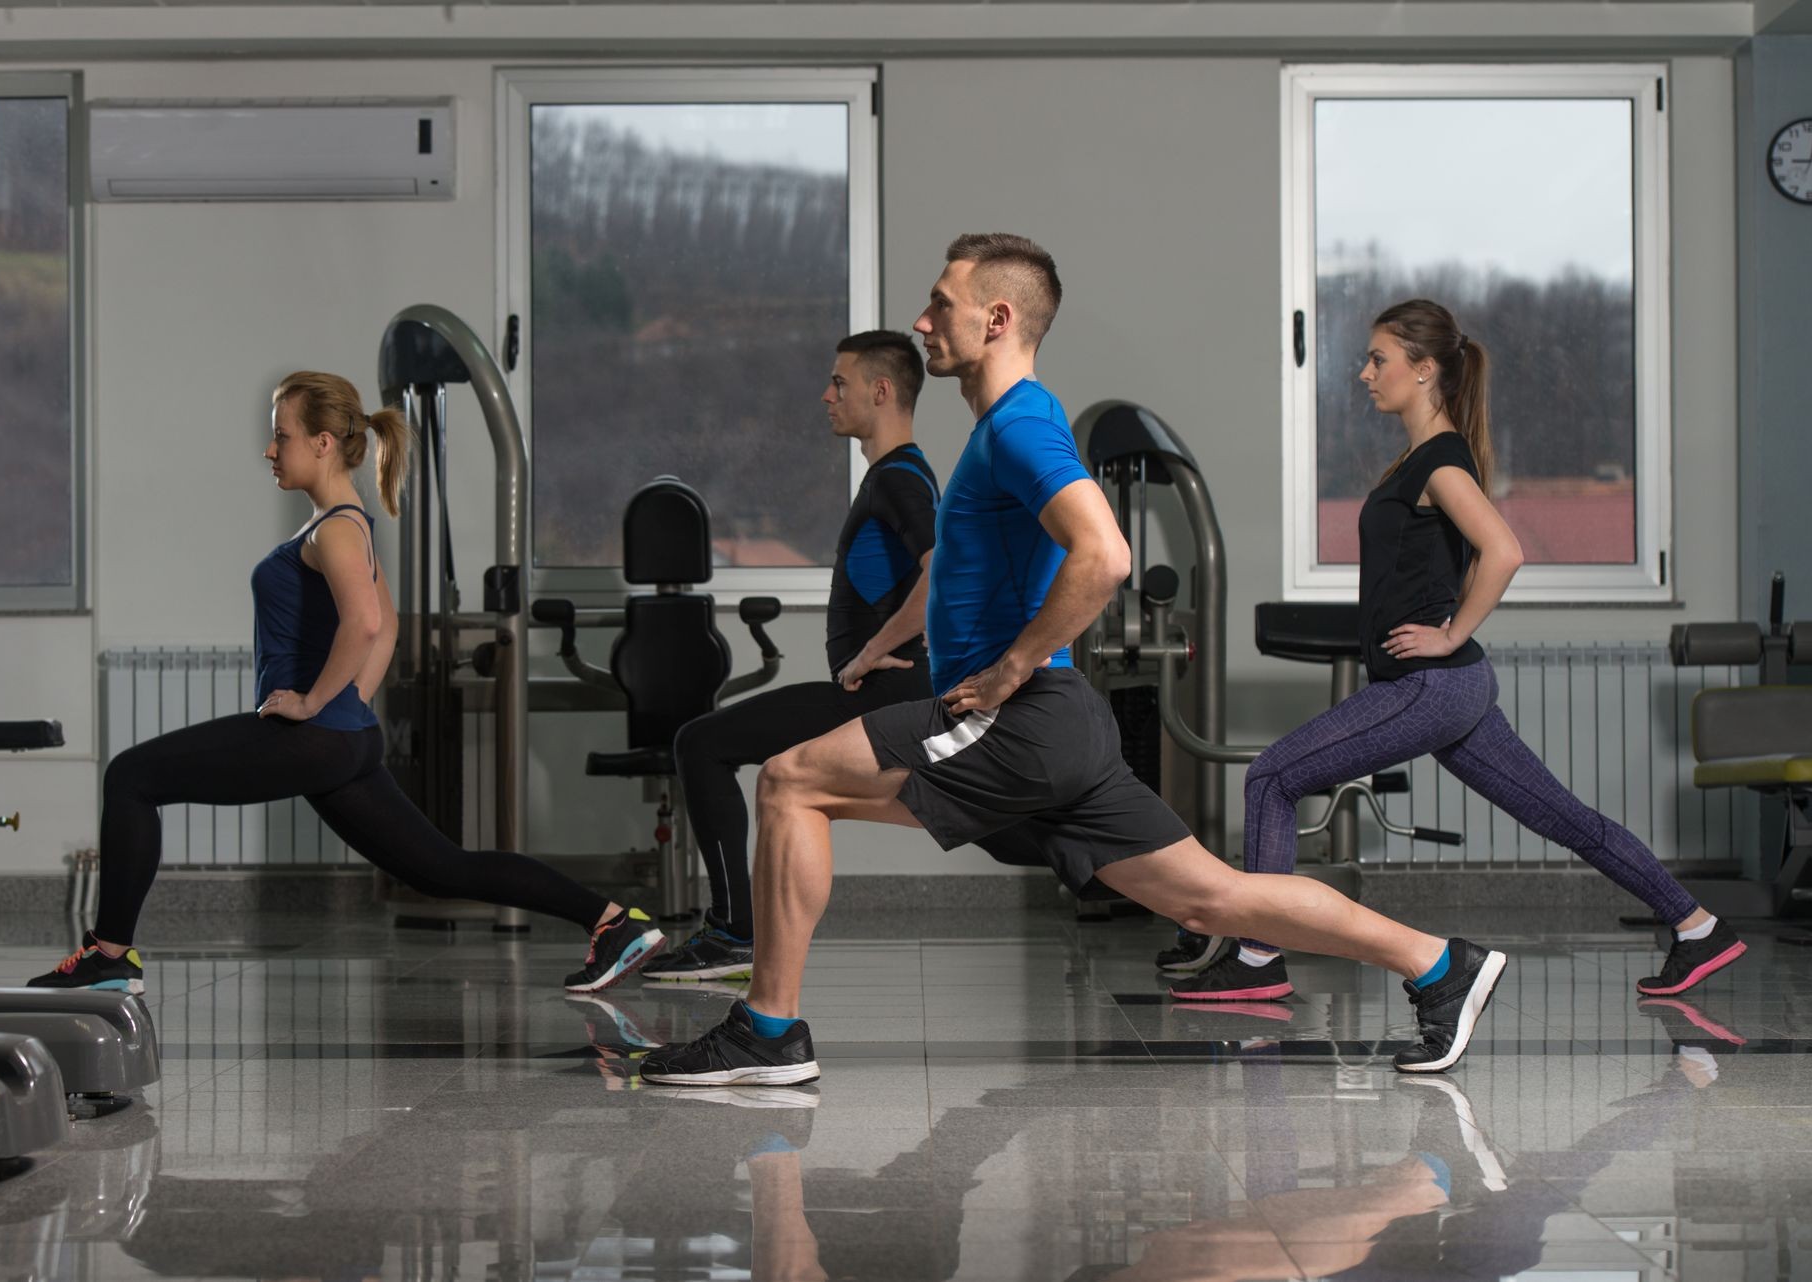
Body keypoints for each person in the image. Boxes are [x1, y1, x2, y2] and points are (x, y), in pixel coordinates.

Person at [638, 235, 1510, 1088]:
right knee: (1215, 899)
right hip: (1057, 726)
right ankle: (1440, 965)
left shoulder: (1018, 428)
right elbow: (956, 569)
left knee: (792, 781)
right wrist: (888, 644)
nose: (924, 319)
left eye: (941, 303)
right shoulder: (1008, 427)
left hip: (1018, 719)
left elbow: (1106, 554)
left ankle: (767, 1030)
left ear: (997, 318)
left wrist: (1013, 667)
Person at [1172, 299, 1745, 1005]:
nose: (1364, 373)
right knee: (1562, 815)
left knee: (1271, 778)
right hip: (1456, 690)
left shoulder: (1438, 462)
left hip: (1429, 686)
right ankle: (1697, 926)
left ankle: (1258, 960)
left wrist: (1448, 632)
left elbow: (1502, 551)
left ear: (1423, 370)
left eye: (1378, 359)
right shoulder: (1424, 457)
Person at [26, 371, 662, 996]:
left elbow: (363, 624)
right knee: (442, 869)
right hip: (344, 739)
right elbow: (383, 629)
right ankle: (611, 922)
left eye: (283, 436)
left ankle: (110, 955)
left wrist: (313, 701)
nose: (271, 450)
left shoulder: (333, 529)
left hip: (314, 736)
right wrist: (351, 702)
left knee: (131, 777)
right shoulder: (349, 522)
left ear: (323, 442)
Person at [642, 332, 940, 981]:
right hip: (892, 694)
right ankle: (1191, 903)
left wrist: (874, 650)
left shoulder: (899, 480)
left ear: (880, 391)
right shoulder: (898, 475)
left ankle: (733, 932)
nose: (826, 395)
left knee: (702, 744)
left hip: (887, 695)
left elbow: (939, 573)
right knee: (1013, 828)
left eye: (840, 382)